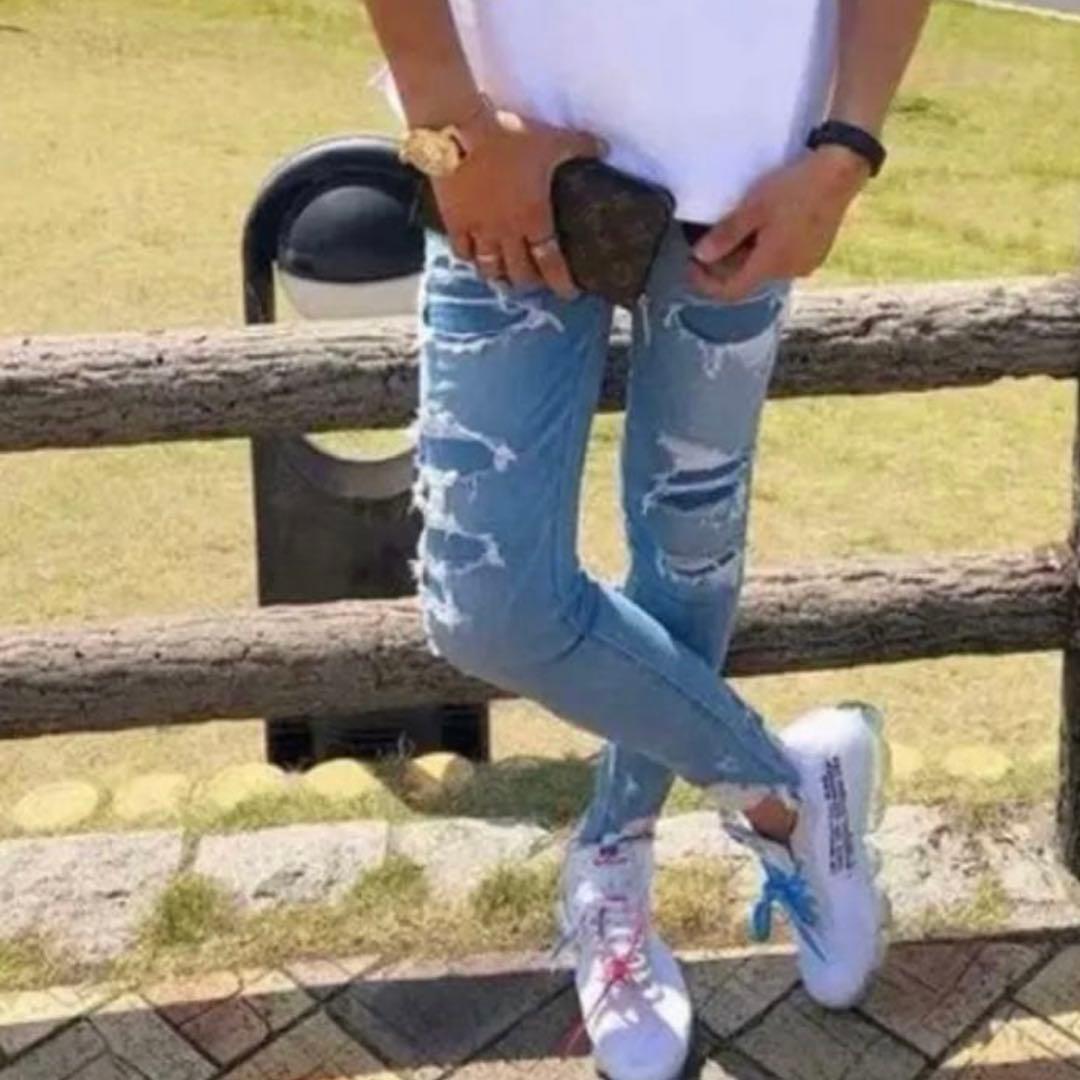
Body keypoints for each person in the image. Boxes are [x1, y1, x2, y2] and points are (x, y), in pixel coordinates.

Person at [362, 2, 929, 1077]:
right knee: (489, 607)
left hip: (751, 178)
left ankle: (613, 861)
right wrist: (448, 122)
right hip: (501, 155)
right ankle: (786, 796)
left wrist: (846, 153)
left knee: (689, 556)